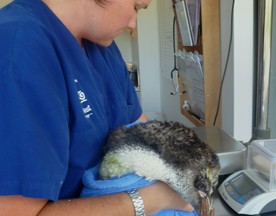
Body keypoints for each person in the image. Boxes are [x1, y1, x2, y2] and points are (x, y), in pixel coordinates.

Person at [0, 0, 194, 215]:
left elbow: (142, 131)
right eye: (136, 7)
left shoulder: (101, 45)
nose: (132, 24)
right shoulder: (16, 52)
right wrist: (152, 199)